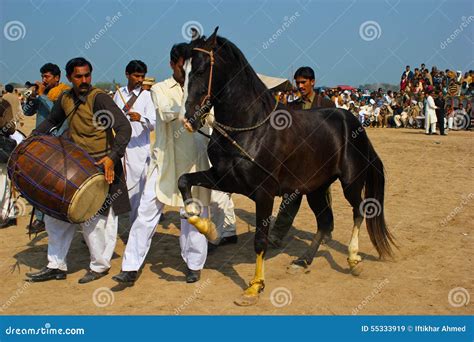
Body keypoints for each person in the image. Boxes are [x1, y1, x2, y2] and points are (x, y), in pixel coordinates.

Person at [26, 57, 132, 283]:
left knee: (95, 221)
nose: (84, 80)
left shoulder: (99, 98)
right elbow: (52, 121)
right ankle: (56, 265)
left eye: (87, 75)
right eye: (78, 76)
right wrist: (32, 138)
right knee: (56, 218)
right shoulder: (65, 98)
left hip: (100, 168)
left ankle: (99, 266)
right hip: (73, 168)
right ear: (69, 77)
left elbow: (124, 128)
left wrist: (112, 158)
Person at [112, 43, 211, 285]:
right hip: (165, 161)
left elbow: (212, 119)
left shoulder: (202, 88)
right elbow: (167, 113)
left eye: (190, 66)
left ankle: (193, 265)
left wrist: (205, 108)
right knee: (145, 214)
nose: (186, 70)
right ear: (171, 64)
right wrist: (195, 107)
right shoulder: (159, 89)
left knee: (193, 214)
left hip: (195, 163)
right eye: (181, 66)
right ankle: (130, 267)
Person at [268, 66, 335, 248]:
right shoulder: (292, 106)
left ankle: (326, 229)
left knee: (320, 197)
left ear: (312, 82)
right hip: (298, 162)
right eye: (298, 83)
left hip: (321, 161)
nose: (300, 86)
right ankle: (277, 235)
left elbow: (333, 134)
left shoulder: (326, 105)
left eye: (303, 82)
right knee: (291, 196)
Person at [22, 63, 70, 233]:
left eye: (47, 77)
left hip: (57, 140)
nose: (44, 80)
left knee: (54, 180)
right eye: (42, 76)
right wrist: (32, 98)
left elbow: (55, 114)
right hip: (41, 141)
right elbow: (26, 112)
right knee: (38, 179)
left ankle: (56, 215)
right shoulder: (42, 94)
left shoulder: (64, 93)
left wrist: (42, 96)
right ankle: (40, 219)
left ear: (57, 78)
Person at [113, 60, 155, 230]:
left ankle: (135, 231)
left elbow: (155, 123)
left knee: (137, 193)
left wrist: (142, 119)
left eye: (142, 76)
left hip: (138, 150)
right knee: (115, 190)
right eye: (136, 76)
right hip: (119, 149)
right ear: (127, 75)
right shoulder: (118, 94)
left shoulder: (147, 96)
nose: (139, 79)